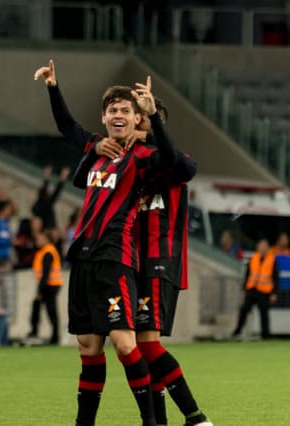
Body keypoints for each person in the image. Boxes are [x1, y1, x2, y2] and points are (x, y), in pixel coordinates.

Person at [68, 78, 181, 426]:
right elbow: (69, 130)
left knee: (125, 344)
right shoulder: (99, 156)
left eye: (126, 110)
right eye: (113, 110)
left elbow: (180, 164)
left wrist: (153, 124)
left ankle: (151, 422)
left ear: (136, 119)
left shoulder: (143, 156)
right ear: (104, 117)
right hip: (83, 259)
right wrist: (54, 88)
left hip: (116, 258)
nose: (119, 115)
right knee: (88, 347)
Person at [130, 101, 212, 426]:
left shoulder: (175, 162)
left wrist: (152, 128)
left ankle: (196, 417)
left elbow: (189, 169)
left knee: (145, 344)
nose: (135, 122)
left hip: (159, 260)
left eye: (146, 118)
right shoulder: (129, 165)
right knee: (144, 347)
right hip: (132, 263)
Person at [232, 237, 278, 340]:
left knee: (264, 313)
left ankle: (265, 335)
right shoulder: (253, 258)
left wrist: (274, 293)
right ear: (258, 247)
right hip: (252, 290)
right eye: (261, 245)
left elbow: (275, 278)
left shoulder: (272, 260)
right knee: (244, 310)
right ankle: (237, 331)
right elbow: (248, 275)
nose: (262, 248)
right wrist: (244, 289)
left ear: (267, 247)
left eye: (264, 246)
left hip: (264, 291)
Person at [28, 230, 63, 344]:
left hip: (50, 285)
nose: (37, 241)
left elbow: (45, 274)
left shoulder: (48, 252)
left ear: (46, 239)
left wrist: (39, 290)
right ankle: (35, 331)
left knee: (50, 310)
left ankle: (54, 336)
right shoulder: (43, 251)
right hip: (48, 285)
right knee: (39, 307)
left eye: (40, 239)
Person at [31, 165, 71, 231]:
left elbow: (51, 195)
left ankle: (61, 177)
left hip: (43, 223)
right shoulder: (42, 204)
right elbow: (48, 194)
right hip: (42, 219)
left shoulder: (44, 204)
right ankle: (61, 177)